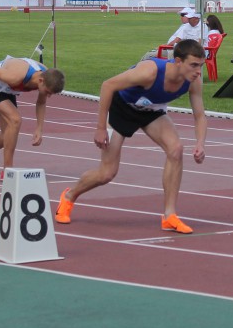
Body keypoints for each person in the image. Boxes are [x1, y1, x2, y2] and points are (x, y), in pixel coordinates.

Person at [55, 39, 208, 234]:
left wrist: (200, 143)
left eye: (201, 66)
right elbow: (107, 85)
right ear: (178, 61)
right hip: (122, 108)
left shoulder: (193, 81)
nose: (198, 71)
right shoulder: (150, 71)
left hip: (152, 111)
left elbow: (200, 115)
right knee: (107, 173)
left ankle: (169, 215)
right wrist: (100, 127)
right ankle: (69, 196)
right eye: (193, 65)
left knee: (176, 149)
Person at [0, 57, 66, 178]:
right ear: (40, 81)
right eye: (47, 92)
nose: (48, 95)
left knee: (8, 135)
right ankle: (8, 170)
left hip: (7, 89)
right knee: (15, 120)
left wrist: (39, 128)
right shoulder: (15, 77)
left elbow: (41, 103)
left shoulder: (46, 76)